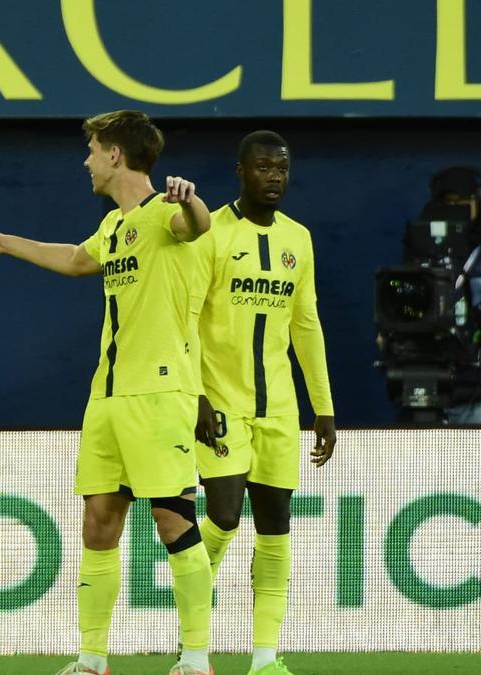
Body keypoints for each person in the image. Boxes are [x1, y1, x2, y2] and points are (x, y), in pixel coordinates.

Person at [0, 110, 214, 675]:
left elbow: (198, 225)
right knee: (99, 520)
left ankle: (196, 658)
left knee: (173, 521)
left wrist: (191, 198)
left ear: (116, 156)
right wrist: (5, 243)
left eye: (94, 150)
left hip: (159, 393)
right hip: (108, 397)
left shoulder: (165, 212)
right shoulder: (116, 227)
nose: (87, 161)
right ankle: (92, 658)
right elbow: (75, 260)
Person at [191, 131, 336, 675]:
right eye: (262, 167)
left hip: (279, 408)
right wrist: (196, 392)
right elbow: (185, 317)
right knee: (224, 516)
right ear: (240, 171)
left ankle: (266, 658)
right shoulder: (212, 233)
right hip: (221, 401)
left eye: (281, 168)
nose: (273, 176)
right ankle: (193, 642)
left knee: (275, 526)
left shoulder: (299, 238)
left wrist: (323, 406)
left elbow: (306, 324)